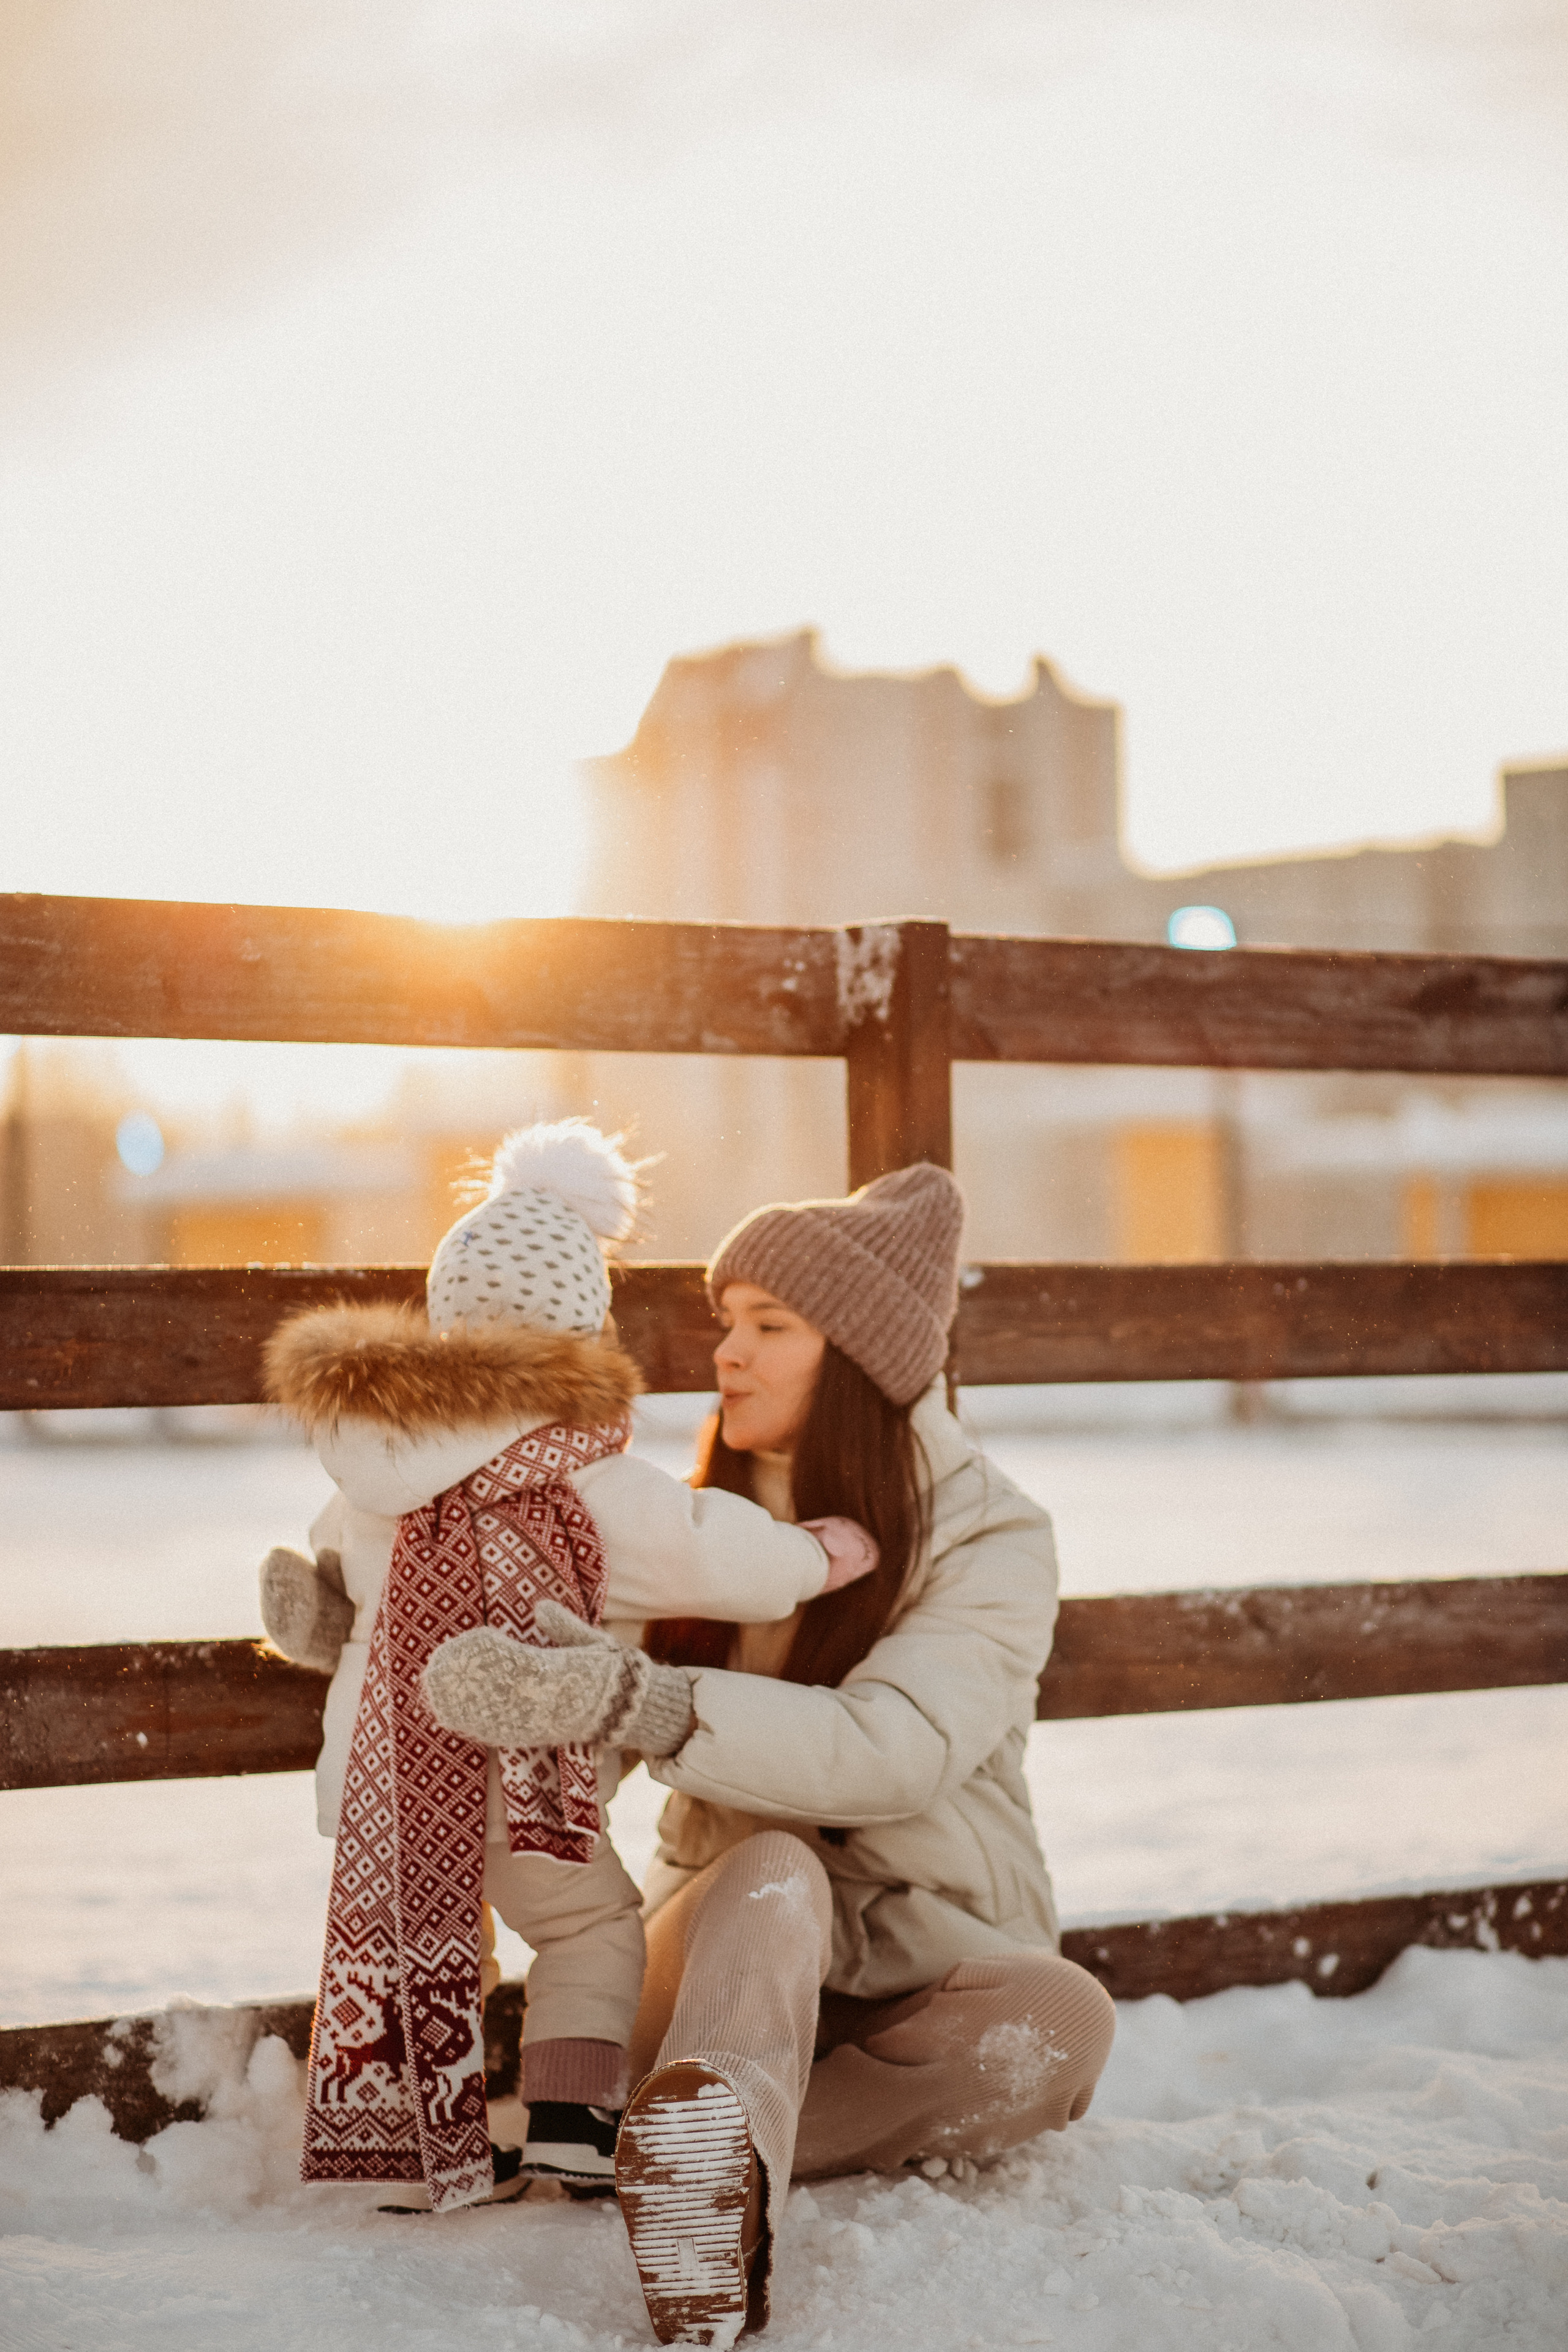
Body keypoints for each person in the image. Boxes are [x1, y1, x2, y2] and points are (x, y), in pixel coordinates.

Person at [424, 1159, 1117, 2341]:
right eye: (724, 1324)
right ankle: (710, 2135)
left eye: (768, 1326)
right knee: (776, 1868)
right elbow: (564, 1720)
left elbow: (898, 1748)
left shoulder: (993, 1534)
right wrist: (402, 1648)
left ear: (855, 1357)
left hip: (911, 1972)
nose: (723, 1355)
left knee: (1064, 2020)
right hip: (722, 1956)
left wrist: (647, 1702)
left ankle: (699, 2154)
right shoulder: (687, 1521)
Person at [258, 1121, 877, 2216]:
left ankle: (418, 2136)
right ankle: (571, 2122)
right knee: (588, 1925)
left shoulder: (377, 1461)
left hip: (384, 1773)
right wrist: (813, 1555)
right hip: (513, 1778)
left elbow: (351, 1573)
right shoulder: (591, 1478)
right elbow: (706, 1548)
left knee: (441, 1930)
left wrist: (322, 1622)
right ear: (589, 1331)